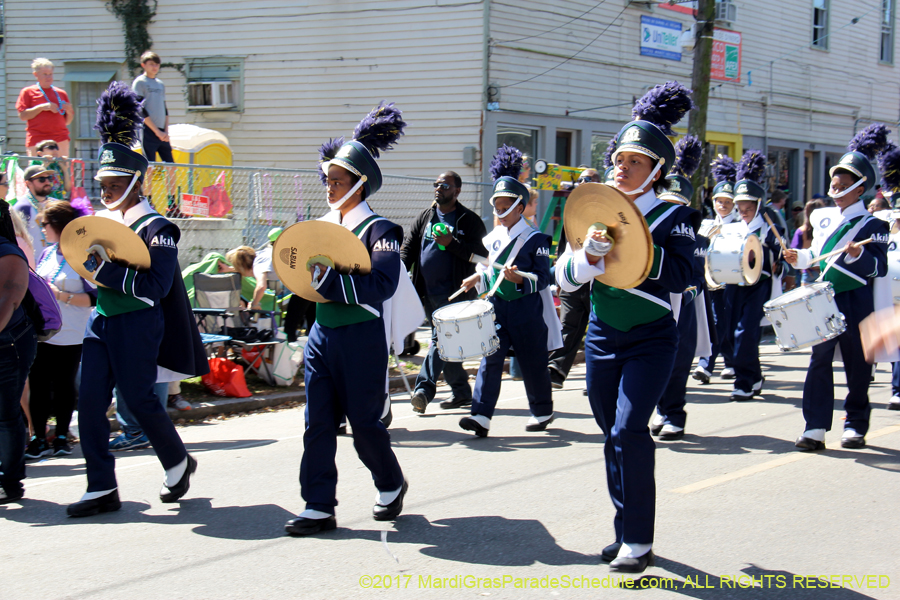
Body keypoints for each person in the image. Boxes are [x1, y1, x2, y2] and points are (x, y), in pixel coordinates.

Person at [554, 81, 696, 573]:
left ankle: (638, 539)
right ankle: (623, 531)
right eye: (619, 157)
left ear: (656, 170)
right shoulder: (594, 207)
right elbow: (563, 275)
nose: (621, 165)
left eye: (634, 161)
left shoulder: (674, 214)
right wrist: (586, 260)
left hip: (652, 338)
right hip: (601, 336)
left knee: (629, 429)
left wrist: (638, 255)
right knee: (609, 432)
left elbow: (687, 274)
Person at [67, 82, 208, 517]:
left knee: (140, 399)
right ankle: (101, 487)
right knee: (89, 402)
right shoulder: (100, 223)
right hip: (102, 321)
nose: (105, 193)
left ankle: (177, 460)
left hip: (138, 323)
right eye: (102, 185)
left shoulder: (159, 228)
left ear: (134, 183)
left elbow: (156, 288)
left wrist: (105, 269)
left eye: (112, 185)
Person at [285, 103, 411, 536]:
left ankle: (390, 481)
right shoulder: (320, 225)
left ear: (359, 184)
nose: (329, 186)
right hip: (322, 335)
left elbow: (381, 285)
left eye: (337, 180)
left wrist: (332, 280)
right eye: (328, 179)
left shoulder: (383, 232)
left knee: (363, 425)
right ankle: (318, 504)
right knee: (316, 421)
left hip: (361, 337)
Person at [784, 124, 892, 451]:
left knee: (858, 364)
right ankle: (815, 426)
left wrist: (859, 255)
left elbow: (878, 267)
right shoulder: (825, 218)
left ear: (860, 188)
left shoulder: (876, 224)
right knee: (820, 359)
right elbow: (818, 256)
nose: (837, 182)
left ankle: (856, 424)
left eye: (846, 179)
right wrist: (797, 257)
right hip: (825, 298)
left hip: (858, 299)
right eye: (836, 177)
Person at [456, 145, 559, 438]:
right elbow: (491, 269)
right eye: (496, 206)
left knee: (532, 363)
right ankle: (480, 415)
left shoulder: (537, 239)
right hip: (498, 308)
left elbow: (543, 277)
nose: (499, 212)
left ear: (519, 206)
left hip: (527, 311)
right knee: (490, 359)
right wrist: (476, 278)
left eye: (505, 206)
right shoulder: (495, 237)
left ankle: (542, 410)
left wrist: (519, 278)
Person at [401, 171, 486, 413]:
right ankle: (461, 392)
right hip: (428, 292)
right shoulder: (426, 216)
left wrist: (452, 244)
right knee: (446, 343)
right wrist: (396, 273)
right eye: (436, 184)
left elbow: (482, 256)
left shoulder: (469, 220)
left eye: (445, 185)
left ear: (457, 191)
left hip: (456, 293)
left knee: (441, 340)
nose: (439, 188)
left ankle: (423, 390)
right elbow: (408, 248)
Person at [24, 201, 96, 460]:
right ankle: (38, 438)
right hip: (43, 331)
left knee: (64, 384)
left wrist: (62, 296)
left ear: (58, 226)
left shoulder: (83, 255)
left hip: (71, 333)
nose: (41, 229)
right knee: (39, 385)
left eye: (44, 224)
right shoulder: (46, 253)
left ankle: (63, 436)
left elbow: (95, 298)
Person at [652, 136, 708, 441]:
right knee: (654, 362)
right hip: (657, 301)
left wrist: (688, 292)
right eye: (666, 204)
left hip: (683, 304)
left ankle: (674, 413)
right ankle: (660, 409)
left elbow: (697, 277)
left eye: (676, 206)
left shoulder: (696, 238)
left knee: (678, 362)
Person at [723, 150, 784, 400]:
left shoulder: (772, 229)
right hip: (734, 284)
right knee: (728, 332)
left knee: (746, 332)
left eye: (748, 206)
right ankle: (755, 375)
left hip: (759, 284)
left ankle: (745, 381)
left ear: (758, 205)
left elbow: (782, 258)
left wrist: (782, 261)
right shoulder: (731, 228)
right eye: (740, 206)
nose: (743, 211)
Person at [547, 168, 601, 389]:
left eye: (587, 180)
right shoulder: (572, 209)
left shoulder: (605, 209)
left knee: (596, 330)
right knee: (568, 324)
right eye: (579, 180)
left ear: (598, 184)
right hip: (573, 279)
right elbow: (563, 247)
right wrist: (561, 279)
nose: (581, 183)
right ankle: (555, 370)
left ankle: (597, 379)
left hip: (597, 281)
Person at [0, 199, 37, 504]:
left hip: (9, 343)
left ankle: (10, 482)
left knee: (5, 413)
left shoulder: (8, 253)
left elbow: (8, 303)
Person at [692, 155, 738, 384]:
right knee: (715, 322)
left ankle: (717, 363)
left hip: (731, 281)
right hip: (710, 281)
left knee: (723, 323)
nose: (722, 205)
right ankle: (719, 364)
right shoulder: (707, 225)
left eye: (727, 202)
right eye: (719, 201)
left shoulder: (740, 227)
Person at [16, 58, 73, 157]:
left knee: (61, 170)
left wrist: (69, 111)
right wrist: (41, 107)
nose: (48, 77)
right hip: (37, 138)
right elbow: (23, 116)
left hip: (60, 138)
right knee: (37, 169)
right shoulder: (28, 92)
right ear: (36, 74)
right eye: (45, 74)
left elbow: (67, 121)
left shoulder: (60, 93)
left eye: (50, 74)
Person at [12, 165, 56, 264]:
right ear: (28, 183)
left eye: (49, 178)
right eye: (41, 179)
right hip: (33, 265)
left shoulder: (55, 205)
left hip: (55, 263)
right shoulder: (22, 207)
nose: (47, 182)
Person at [790, 199, 825, 286]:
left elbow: (793, 252)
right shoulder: (827, 231)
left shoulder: (801, 231)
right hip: (824, 270)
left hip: (808, 271)